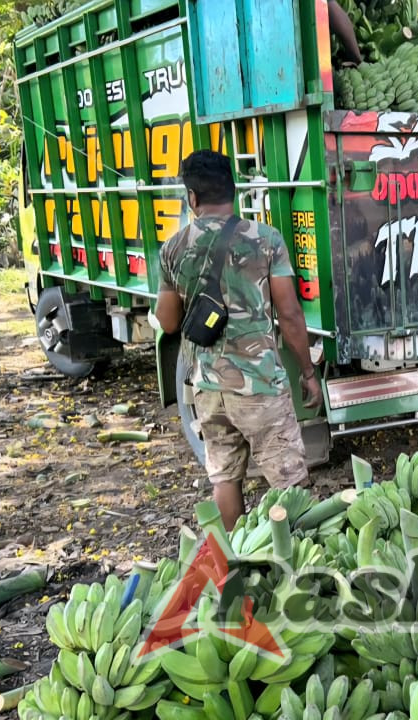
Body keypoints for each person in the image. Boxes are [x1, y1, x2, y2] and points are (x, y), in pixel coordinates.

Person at [156, 150, 322, 531]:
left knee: (225, 476)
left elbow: (167, 323)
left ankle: (237, 560)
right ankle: (295, 563)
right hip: (259, 386)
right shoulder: (265, 240)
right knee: (289, 481)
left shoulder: (174, 248)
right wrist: (308, 372)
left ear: (192, 198)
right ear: (234, 191)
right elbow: (290, 315)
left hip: (208, 388)